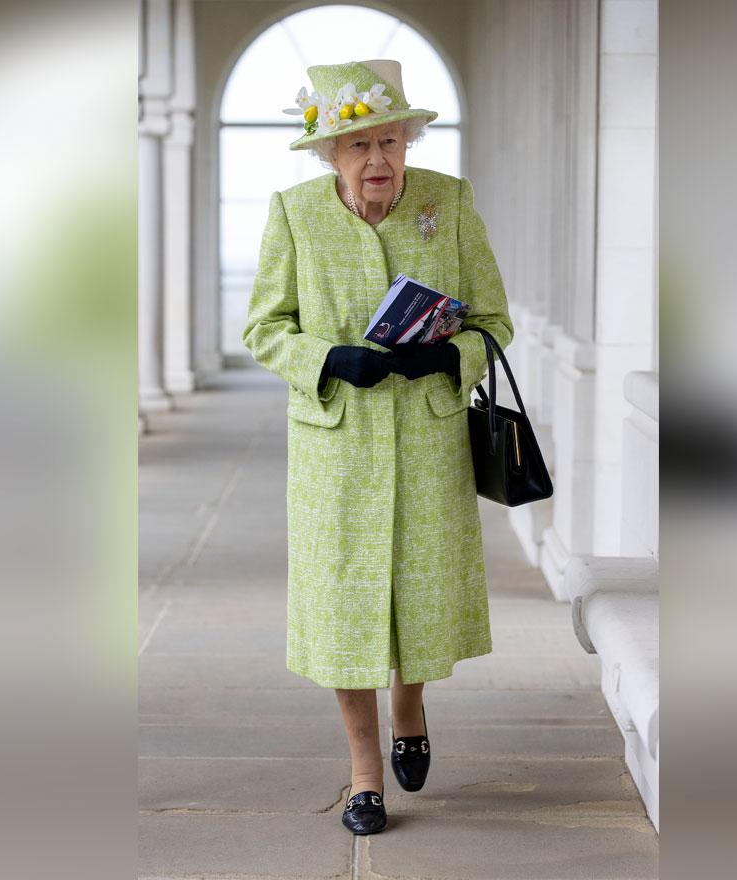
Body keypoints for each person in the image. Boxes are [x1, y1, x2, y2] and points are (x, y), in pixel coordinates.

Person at [240, 59, 514, 835]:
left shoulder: (449, 203)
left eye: (389, 141)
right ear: (329, 154)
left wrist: (451, 357)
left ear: (409, 140)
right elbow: (264, 326)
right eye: (358, 146)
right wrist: (326, 358)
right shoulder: (293, 212)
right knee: (342, 609)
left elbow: (496, 319)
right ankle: (365, 774)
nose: (379, 162)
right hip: (336, 449)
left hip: (427, 440)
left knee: (420, 602)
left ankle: (411, 708)